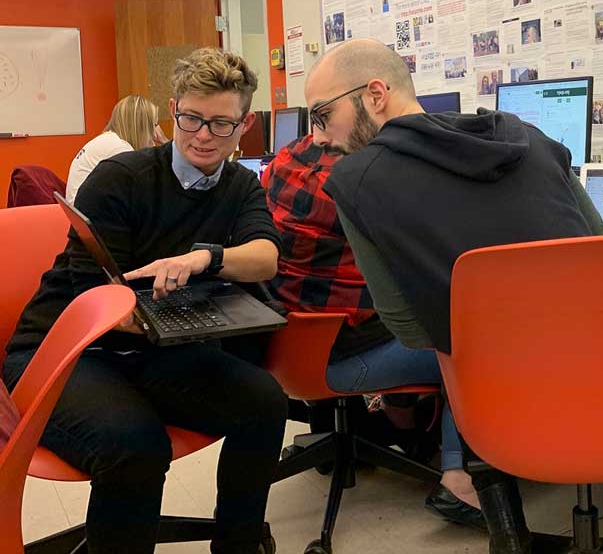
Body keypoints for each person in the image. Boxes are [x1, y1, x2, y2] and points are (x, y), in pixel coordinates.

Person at [304, 38, 603, 554]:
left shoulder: (355, 183)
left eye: (322, 114)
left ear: (375, 94)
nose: (317, 137)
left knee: (458, 369)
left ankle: (508, 537)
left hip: (501, 412)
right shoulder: (530, 138)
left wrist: (480, 332)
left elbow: (408, 328)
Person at [2, 47, 287, 554]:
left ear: (243, 126)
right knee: (136, 447)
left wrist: (204, 259)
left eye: (221, 124)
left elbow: (265, 257)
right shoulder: (120, 178)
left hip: (155, 350)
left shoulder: (242, 184)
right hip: (67, 352)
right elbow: (92, 295)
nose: (203, 135)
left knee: (265, 402)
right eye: (192, 119)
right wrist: (166, 319)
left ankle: (237, 544)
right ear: (172, 111)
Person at [263, 133, 485, 529]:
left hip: (289, 351)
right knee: (471, 344)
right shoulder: (361, 183)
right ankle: (459, 482)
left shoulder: (287, 158)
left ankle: (401, 421)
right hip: (341, 358)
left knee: (394, 309)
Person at [66, 94, 166, 204]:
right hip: (89, 215)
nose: (155, 132)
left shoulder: (110, 140)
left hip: (80, 212)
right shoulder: (119, 148)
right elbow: (147, 188)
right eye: (154, 124)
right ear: (141, 126)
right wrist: (164, 142)